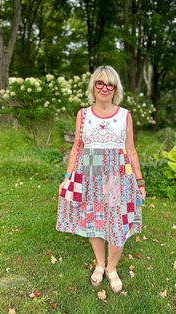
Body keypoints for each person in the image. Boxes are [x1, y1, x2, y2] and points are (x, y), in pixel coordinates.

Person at [56, 65, 146, 294]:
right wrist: (67, 178)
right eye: (100, 83)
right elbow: (77, 148)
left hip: (117, 173)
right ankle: (100, 263)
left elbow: (131, 150)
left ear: (115, 88)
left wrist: (140, 181)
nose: (105, 88)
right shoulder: (83, 114)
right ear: (93, 86)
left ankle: (112, 268)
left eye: (110, 84)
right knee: (94, 219)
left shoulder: (124, 115)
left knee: (117, 220)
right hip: (91, 170)